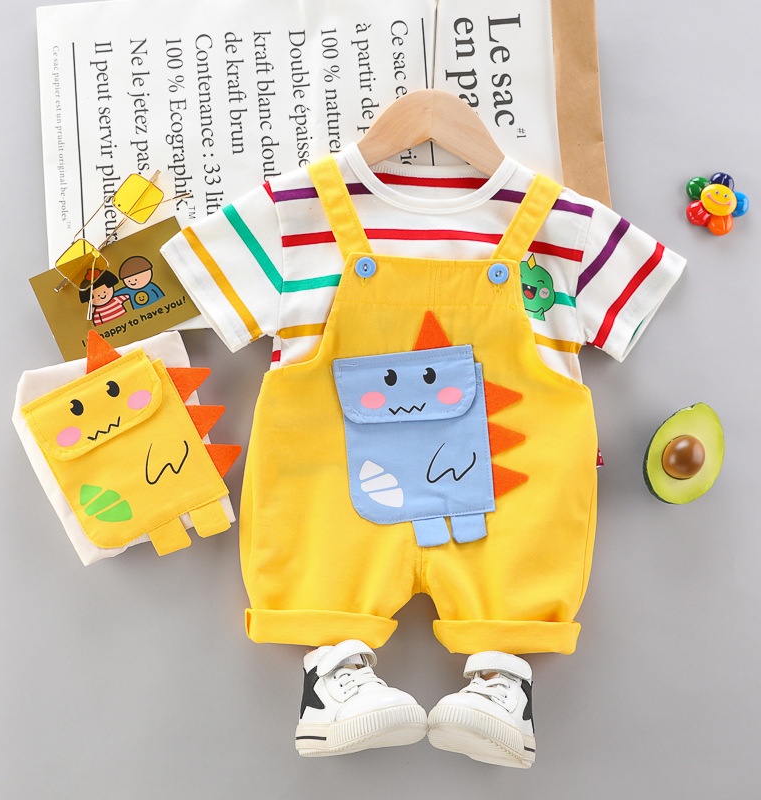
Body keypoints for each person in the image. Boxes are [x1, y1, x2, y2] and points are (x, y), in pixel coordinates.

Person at [160, 144, 685, 767]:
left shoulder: (565, 229)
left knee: (514, 557)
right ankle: (334, 683)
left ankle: (501, 690)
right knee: (325, 567)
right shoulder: (296, 215)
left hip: (498, 507)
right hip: (340, 503)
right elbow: (189, 274)